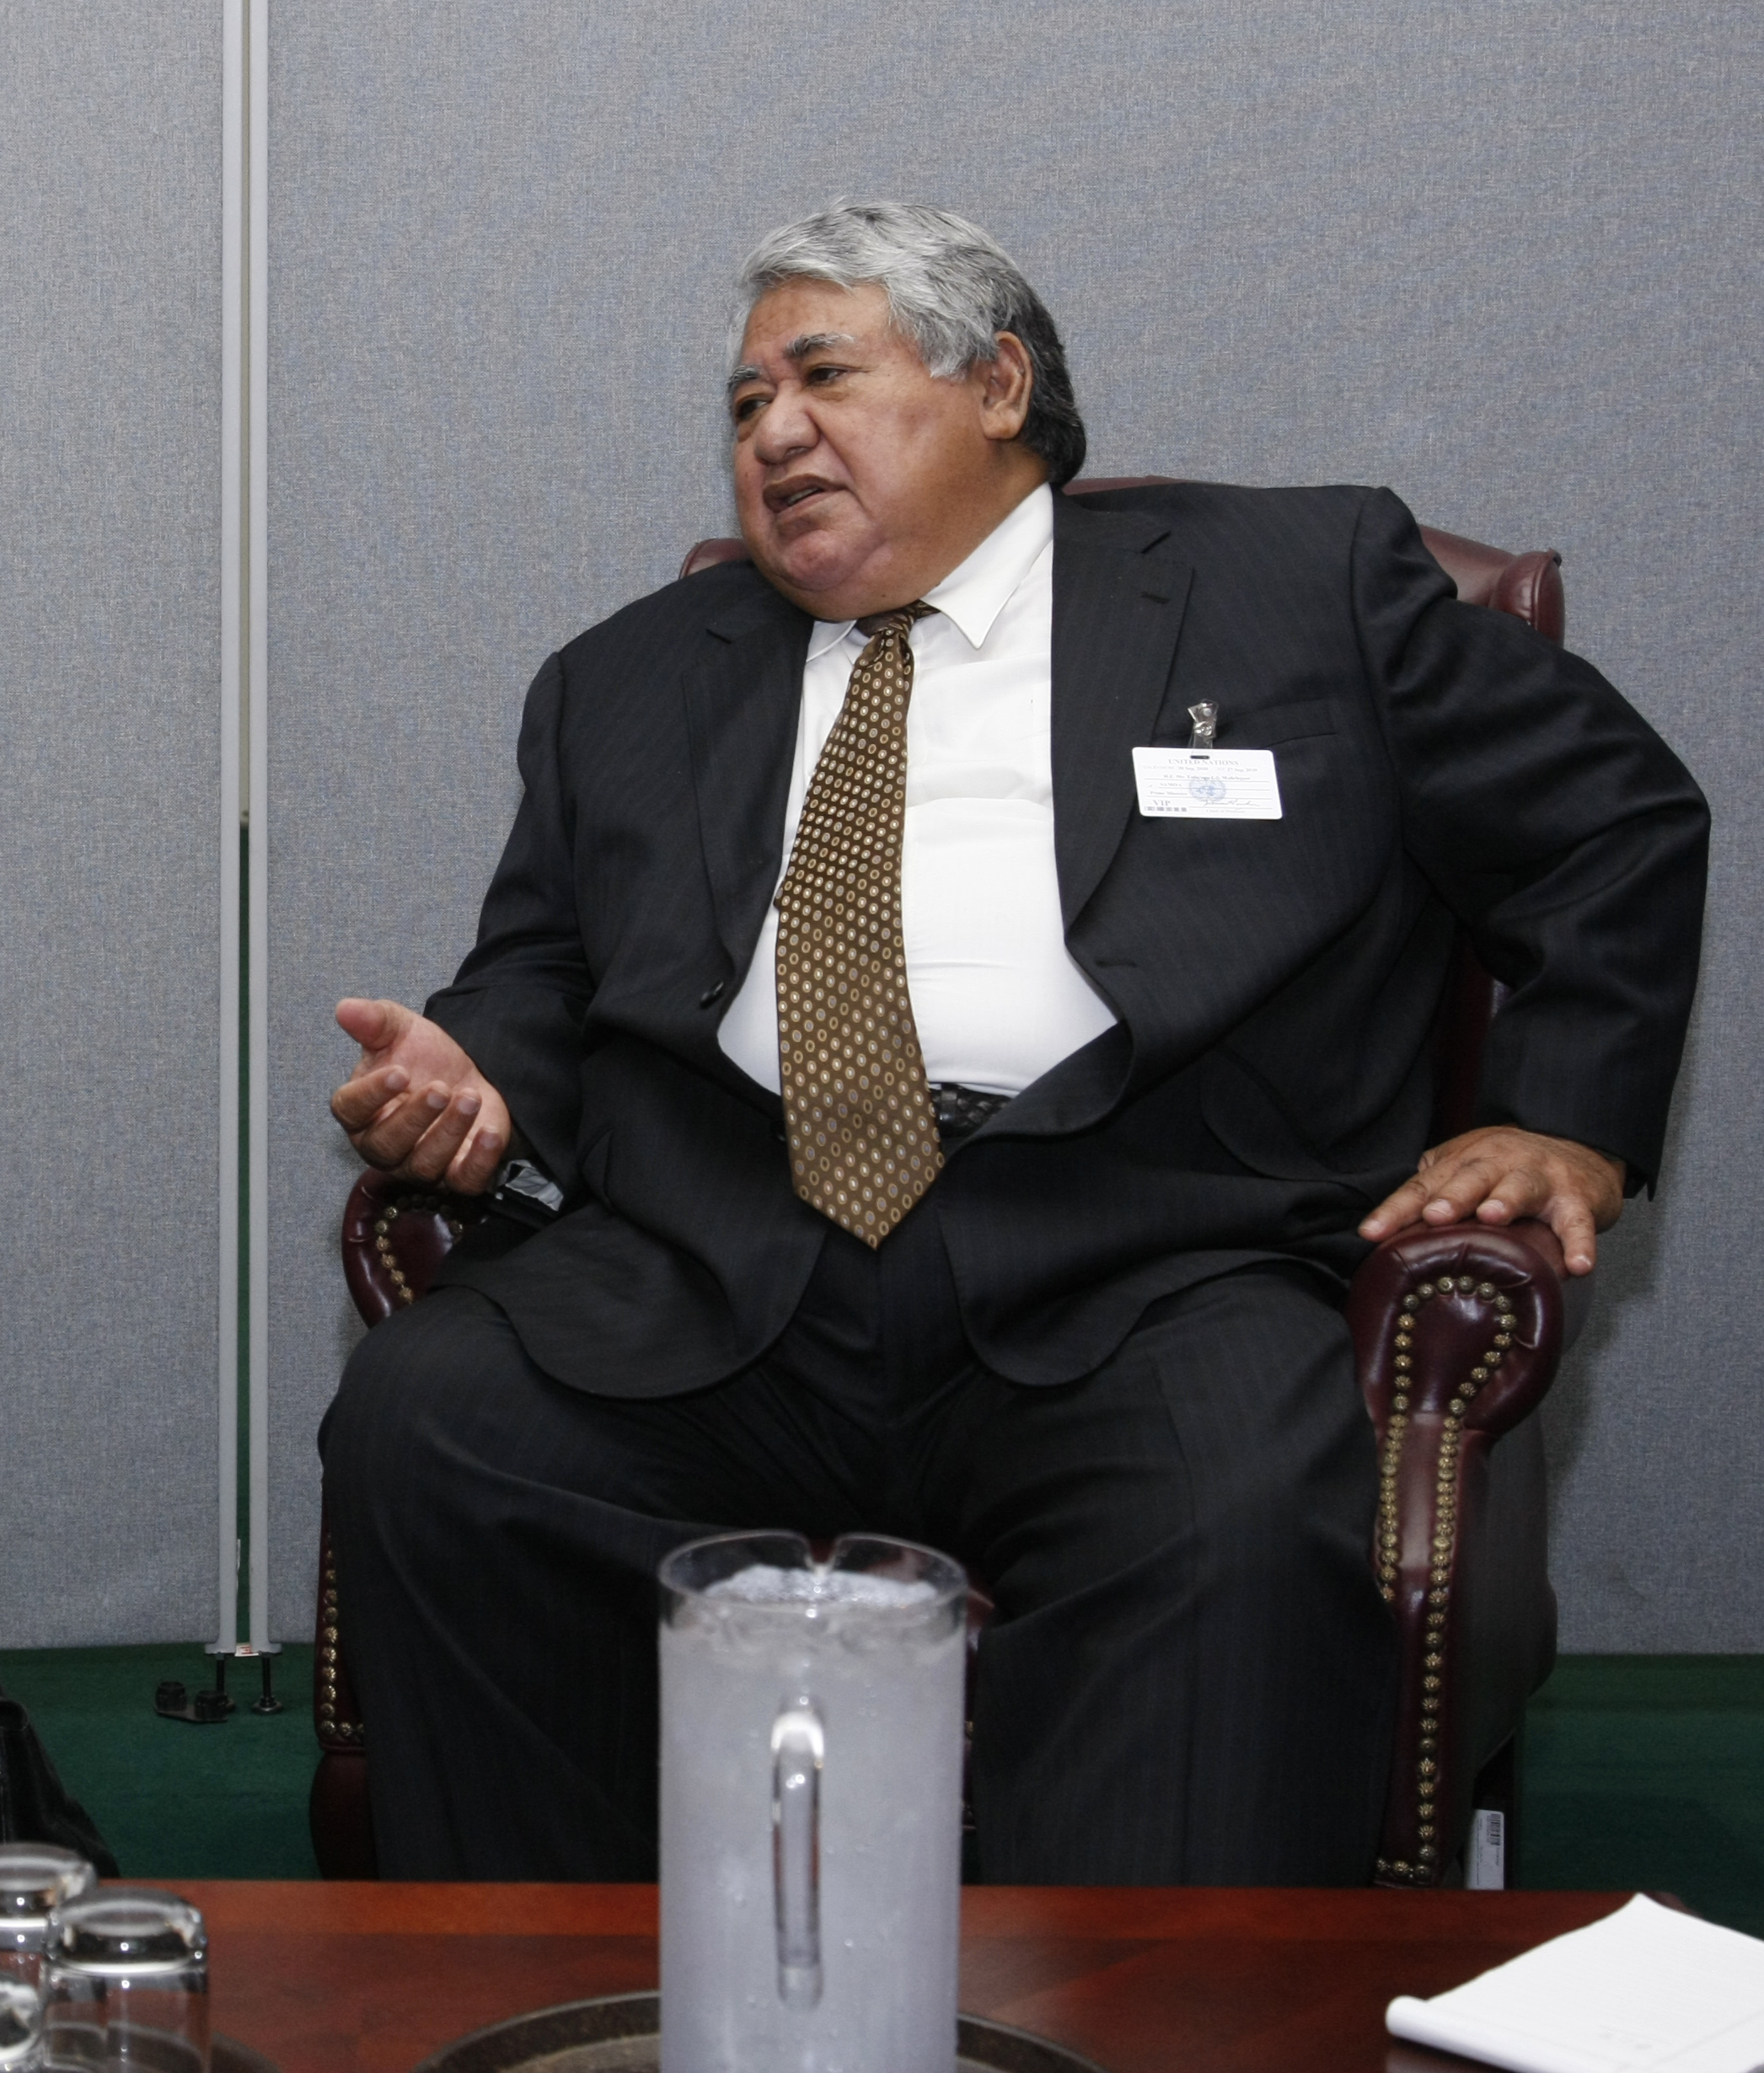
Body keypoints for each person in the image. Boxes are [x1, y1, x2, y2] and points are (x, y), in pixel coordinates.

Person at [322, 202, 1707, 1884]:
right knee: (433, 1421)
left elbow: (1609, 819)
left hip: (1148, 1261)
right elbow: (541, 971)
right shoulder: (621, 682)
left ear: (998, 382)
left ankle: (1121, 2020)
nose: (772, 429)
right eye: (744, 401)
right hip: (722, 1268)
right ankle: (580, 2009)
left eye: (822, 371)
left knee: (1238, 1514)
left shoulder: (1299, 587)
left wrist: (1565, 1118)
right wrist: (479, 1065)